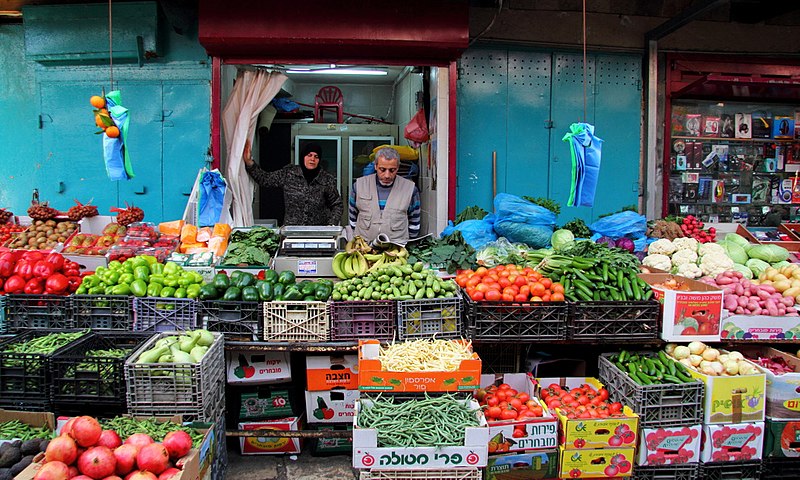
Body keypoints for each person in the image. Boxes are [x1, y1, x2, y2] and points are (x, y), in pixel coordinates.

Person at [243, 140, 342, 226]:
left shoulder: (326, 179)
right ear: (303, 157)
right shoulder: (289, 173)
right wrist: (249, 162)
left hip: (318, 232)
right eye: (309, 155)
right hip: (292, 231)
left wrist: (331, 225)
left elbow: (337, 205)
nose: (312, 159)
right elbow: (265, 179)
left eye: (316, 156)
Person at [348, 147, 421, 244]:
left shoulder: (410, 189)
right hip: (364, 248)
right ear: (375, 166)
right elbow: (353, 218)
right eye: (382, 169)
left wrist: (406, 245)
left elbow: (414, 223)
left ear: (398, 168)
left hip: (396, 249)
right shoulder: (359, 185)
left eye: (392, 170)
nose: (387, 175)